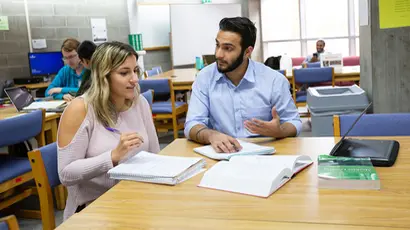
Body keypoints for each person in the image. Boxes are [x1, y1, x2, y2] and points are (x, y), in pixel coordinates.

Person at [57, 41, 160, 220]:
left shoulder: (139, 102)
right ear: (103, 76)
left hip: (137, 200)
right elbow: (66, 173)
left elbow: (155, 155)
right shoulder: (80, 109)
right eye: (124, 73)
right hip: (94, 209)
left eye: (135, 70)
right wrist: (112, 156)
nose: (134, 79)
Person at [184, 17, 301, 153]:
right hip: (221, 156)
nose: (218, 54)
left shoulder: (274, 80)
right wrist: (211, 135)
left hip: (264, 156)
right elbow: (192, 124)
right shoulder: (204, 78)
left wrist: (279, 131)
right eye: (217, 45)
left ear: (247, 52)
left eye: (228, 48)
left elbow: (294, 122)